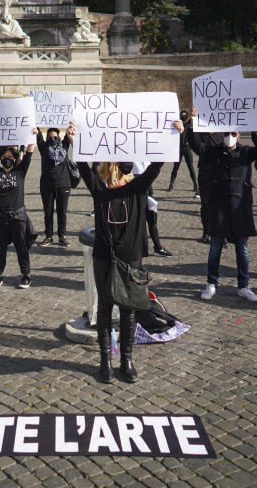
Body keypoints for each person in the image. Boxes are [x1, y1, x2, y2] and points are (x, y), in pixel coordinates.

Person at [68, 117, 184, 384]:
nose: (122, 174)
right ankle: (105, 361)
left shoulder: (137, 189)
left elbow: (156, 166)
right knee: (106, 309)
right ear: (110, 170)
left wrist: (176, 135)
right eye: (118, 169)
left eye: (125, 169)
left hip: (131, 259)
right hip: (104, 258)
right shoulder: (100, 191)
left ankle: (127, 360)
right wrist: (75, 140)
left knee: (130, 309)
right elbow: (85, 169)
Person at [189, 106, 257, 302]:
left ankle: (244, 286)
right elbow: (197, 146)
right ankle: (211, 283)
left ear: (239, 135)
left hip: (240, 208)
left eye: (233, 133)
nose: (230, 136)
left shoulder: (246, 152)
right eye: (227, 133)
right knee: (215, 249)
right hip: (219, 207)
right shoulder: (213, 152)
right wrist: (193, 122)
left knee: (242, 251)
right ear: (222, 135)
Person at [0, 140, 37, 289]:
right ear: (0, 157)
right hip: (0, 217)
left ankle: (26, 275)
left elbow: (30, 153)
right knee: (0, 249)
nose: (8, 159)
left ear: (15, 158)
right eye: (5, 156)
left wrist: (32, 137)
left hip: (18, 217)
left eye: (11, 156)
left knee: (21, 247)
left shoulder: (20, 171)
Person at [36, 127, 72, 246]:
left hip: (63, 185)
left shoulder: (64, 146)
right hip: (47, 186)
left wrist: (71, 127)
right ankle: (49, 236)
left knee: (62, 212)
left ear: (59, 137)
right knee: (48, 212)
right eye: (50, 137)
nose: (53, 139)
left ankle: (62, 236)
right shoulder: (43, 147)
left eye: (55, 137)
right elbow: (38, 134)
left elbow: (69, 133)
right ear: (47, 139)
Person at [167, 110, 199, 196]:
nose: (183, 116)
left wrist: (193, 114)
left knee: (191, 167)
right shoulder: (177, 124)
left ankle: (195, 185)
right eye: (182, 115)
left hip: (187, 148)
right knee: (175, 167)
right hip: (178, 149)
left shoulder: (188, 124)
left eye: (185, 115)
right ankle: (171, 185)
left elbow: (193, 120)